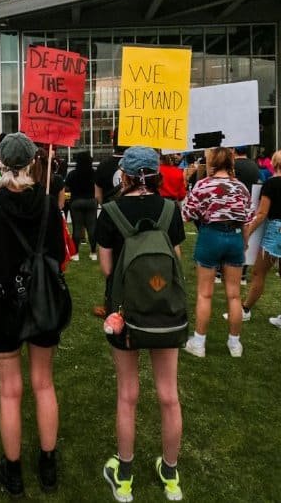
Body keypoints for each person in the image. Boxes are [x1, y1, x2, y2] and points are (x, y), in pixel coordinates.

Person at [0, 133, 68, 496]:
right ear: (31, 163)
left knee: (10, 392)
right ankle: (46, 466)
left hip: (3, 307)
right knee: (43, 383)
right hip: (41, 303)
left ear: (0, 164)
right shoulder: (47, 206)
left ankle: (15, 471)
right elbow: (58, 257)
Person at [96, 147, 185, 503]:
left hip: (124, 313)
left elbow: (107, 268)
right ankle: (171, 474)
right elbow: (176, 260)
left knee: (127, 394)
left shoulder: (111, 212)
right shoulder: (170, 209)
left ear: (127, 176)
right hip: (165, 310)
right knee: (168, 395)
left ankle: (124, 475)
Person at [182, 147, 253, 358]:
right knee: (234, 295)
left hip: (210, 236)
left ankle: (199, 342)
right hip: (235, 237)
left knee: (205, 293)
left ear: (212, 162)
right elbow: (247, 220)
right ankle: (235, 344)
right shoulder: (240, 187)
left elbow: (186, 213)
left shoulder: (203, 185)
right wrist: (244, 242)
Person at [240, 150, 281, 333]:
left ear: (275, 163)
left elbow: (262, 213)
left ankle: (244, 310)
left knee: (258, 273)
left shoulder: (271, 183)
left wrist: (247, 233)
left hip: (277, 231)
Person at [64, 152, 98, 262]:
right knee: (92, 227)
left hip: (76, 201)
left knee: (77, 228)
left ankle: (76, 254)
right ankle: (93, 252)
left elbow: (67, 187)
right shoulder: (94, 173)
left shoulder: (72, 174)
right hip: (91, 201)